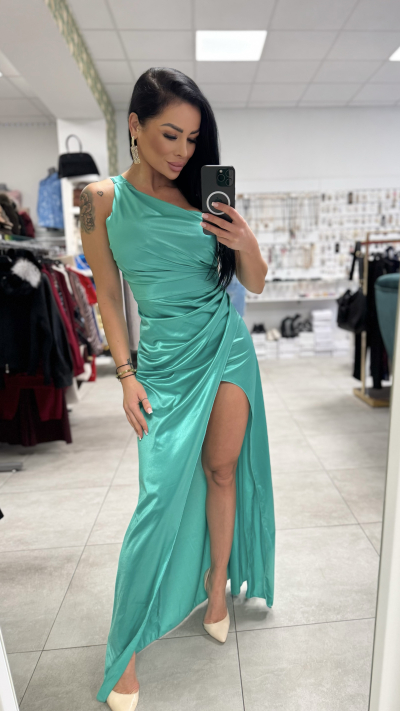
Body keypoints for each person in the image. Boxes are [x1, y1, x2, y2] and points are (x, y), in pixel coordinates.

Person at [80, 67, 275, 711]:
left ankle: (216, 588)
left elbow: (255, 283)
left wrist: (244, 241)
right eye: (170, 134)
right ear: (134, 125)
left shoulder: (202, 196)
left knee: (222, 472)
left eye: (193, 140)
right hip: (162, 362)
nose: (183, 152)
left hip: (226, 346)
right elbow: (109, 296)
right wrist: (125, 375)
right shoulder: (100, 200)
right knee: (157, 499)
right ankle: (125, 650)